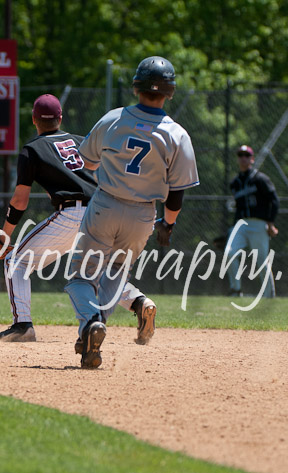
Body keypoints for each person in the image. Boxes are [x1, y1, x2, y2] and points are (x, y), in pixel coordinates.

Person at [0, 94, 157, 344]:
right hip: (103, 210)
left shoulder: (32, 149)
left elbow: (20, 200)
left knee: (16, 261)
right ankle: (140, 302)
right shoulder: (80, 141)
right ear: (60, 118)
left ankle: (22, 325)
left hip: (72, 213)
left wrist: (6, 232)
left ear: (34, 120)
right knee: (98, 274)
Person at [65, 56, 199, 369]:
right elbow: (177, 191)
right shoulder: (176, 134)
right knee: (115, 273)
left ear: (136, 86)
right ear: (170, 91)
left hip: (106, 204)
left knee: (79, 276)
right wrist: (167, 223)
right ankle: (94, 327)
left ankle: (90, 324)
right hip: (142, 217)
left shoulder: (113, 119)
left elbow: (87, 162)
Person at [225, 144, 279, 298]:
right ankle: (236, 290)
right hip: (240, 225)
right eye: (240, 155)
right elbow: (238, 209)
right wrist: (231, 230)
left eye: (246, 155)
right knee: (229, 252)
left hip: (259, 224)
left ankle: (269, 295)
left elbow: (274, 200)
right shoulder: (235, 183)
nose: (243, 158)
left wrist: (270, 222)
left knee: (261, 261)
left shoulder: (260, 179)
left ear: (252, 159)